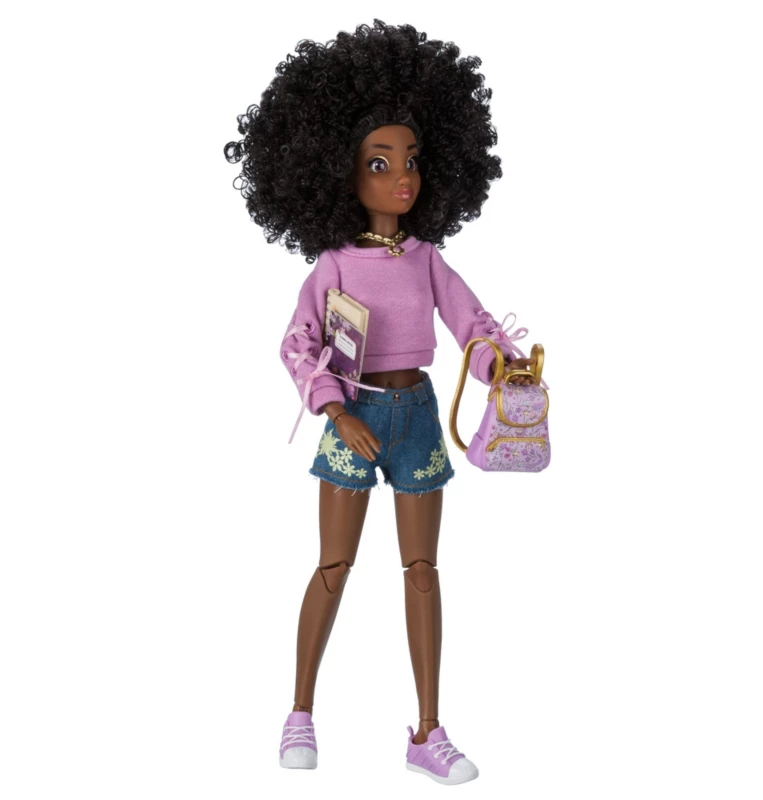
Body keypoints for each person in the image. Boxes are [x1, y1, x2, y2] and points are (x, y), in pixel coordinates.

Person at [225, 20, 535, 785]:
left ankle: (427, 733)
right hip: (354, 417)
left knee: (422, 568)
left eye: (412, 160)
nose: (402, 177)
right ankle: (299, 713)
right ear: (338, 170)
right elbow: (297, 344)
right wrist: (336, 411)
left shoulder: (427, 260)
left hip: (417, 416)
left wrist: (501, 367)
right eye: (379, 161)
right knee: (334, 565)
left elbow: (472, 323)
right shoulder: (332, 265)